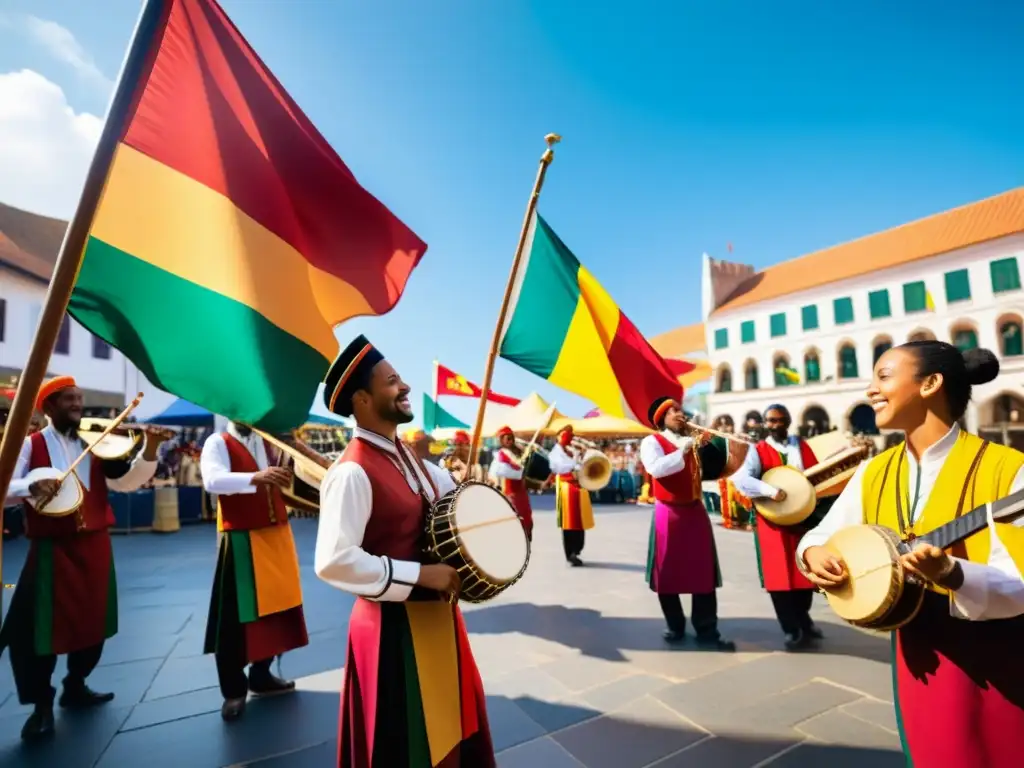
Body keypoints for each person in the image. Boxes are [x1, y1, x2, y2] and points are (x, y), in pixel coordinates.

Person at [799, 343, 1024, 767]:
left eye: (883, 377)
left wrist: (954, 574)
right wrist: (813, 554)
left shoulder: (1007, 468)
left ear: (931, 384)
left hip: (996, 652)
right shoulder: (874, 470)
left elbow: (1020, 580)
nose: (870, 390)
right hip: (916, 651)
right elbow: (824, 533)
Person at [313, 335, 494, 767]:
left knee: (447, 732)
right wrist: (419, 575)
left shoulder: (415, 462)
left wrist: (474, 497)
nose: (405, 387)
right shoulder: (351, 473)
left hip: (436, 620)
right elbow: (333, 561)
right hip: (391, 631)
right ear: (362, 399)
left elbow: (449, 504)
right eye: (392, 381)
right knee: (402, 743)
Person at [0, 376, 166, 741]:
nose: (78, 405)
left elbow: (125, 483)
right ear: (48, 407)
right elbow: (4, 487)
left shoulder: (97, 444)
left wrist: (150, 449)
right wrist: (29, 486)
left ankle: (77, 684)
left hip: (95, 547)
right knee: (37, 631)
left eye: (79, 399)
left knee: (93, 624)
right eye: (69, 400)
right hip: (50, 549)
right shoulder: (30, 445)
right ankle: (42, 704)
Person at [200, 422, 309, 721]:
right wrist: (255, 477)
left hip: (277, 535)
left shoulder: (271, 440)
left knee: (278, 609)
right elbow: (212, 480)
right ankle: (234, 691)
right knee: (235, 617)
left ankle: (262, 674)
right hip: (241, 538)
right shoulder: (217, 442)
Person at [640, 397, 736, 650]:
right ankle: (675, 625)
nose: (679, 414)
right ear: (662, 418)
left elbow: (714, 469)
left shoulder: (691, 441)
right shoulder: (652, 441)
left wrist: (712, 443)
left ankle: (707, 628)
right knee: (667, 571)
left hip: (695, 510)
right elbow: (656, 469)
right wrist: (681, 449)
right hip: (668, 512)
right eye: (672, 411)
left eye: (680, 410)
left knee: (702, 570)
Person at [731, 404, 824, 650]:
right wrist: (771, 491)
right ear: (765, 423)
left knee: (805, 573)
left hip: (803, 517)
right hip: (772, 520)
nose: (776, 424)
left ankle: (804, 620)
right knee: (780, 577)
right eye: (771, 421)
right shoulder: (757, 450)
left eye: (780, 420)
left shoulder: (801, 446)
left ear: (789, 421)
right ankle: (791, 628)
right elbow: (742, 480)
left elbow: (816, 474)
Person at [549, 425, 594, 566]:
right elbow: (559, 467)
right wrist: (575, 463)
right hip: (566, 487)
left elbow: (581, 465)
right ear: (558, 436)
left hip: (579, 486)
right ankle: (570, 552)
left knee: (580, 520)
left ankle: (578, 549)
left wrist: (581, 456)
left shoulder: (572, 450)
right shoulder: (554, 453)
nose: (569, 438)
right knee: (569, 520)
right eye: (565, 435)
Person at [491, 426, 534, 541]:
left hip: (521, 492)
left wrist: (527, 455)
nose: (509, 440)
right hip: (510, 492)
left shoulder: (518, 451)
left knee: (526, 518)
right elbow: (513, 470)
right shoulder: (500, 454)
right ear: (501, 440)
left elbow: (522, 471)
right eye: (505, 438)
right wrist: (520, 464)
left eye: (510, 437)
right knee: (515, 519)